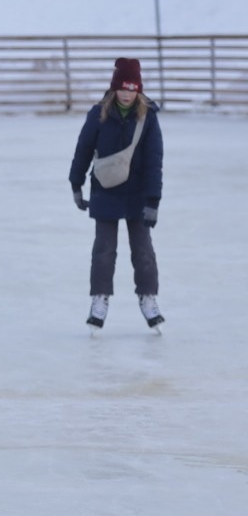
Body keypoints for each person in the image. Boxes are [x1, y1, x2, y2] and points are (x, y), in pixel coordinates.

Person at [69, 57, 165, 331]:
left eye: (132, 87)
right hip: (105, 190)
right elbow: (83, 150)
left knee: (143, 250)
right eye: (123, 87)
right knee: (104, 250)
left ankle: (148, 298)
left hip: (137, 193)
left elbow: (154, 161)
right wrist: (76, 184)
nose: (127, 93)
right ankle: (100, 300)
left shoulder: (148, 118)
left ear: (139, 89)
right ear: (114, 88)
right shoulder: (98, 113)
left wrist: (153, 200)